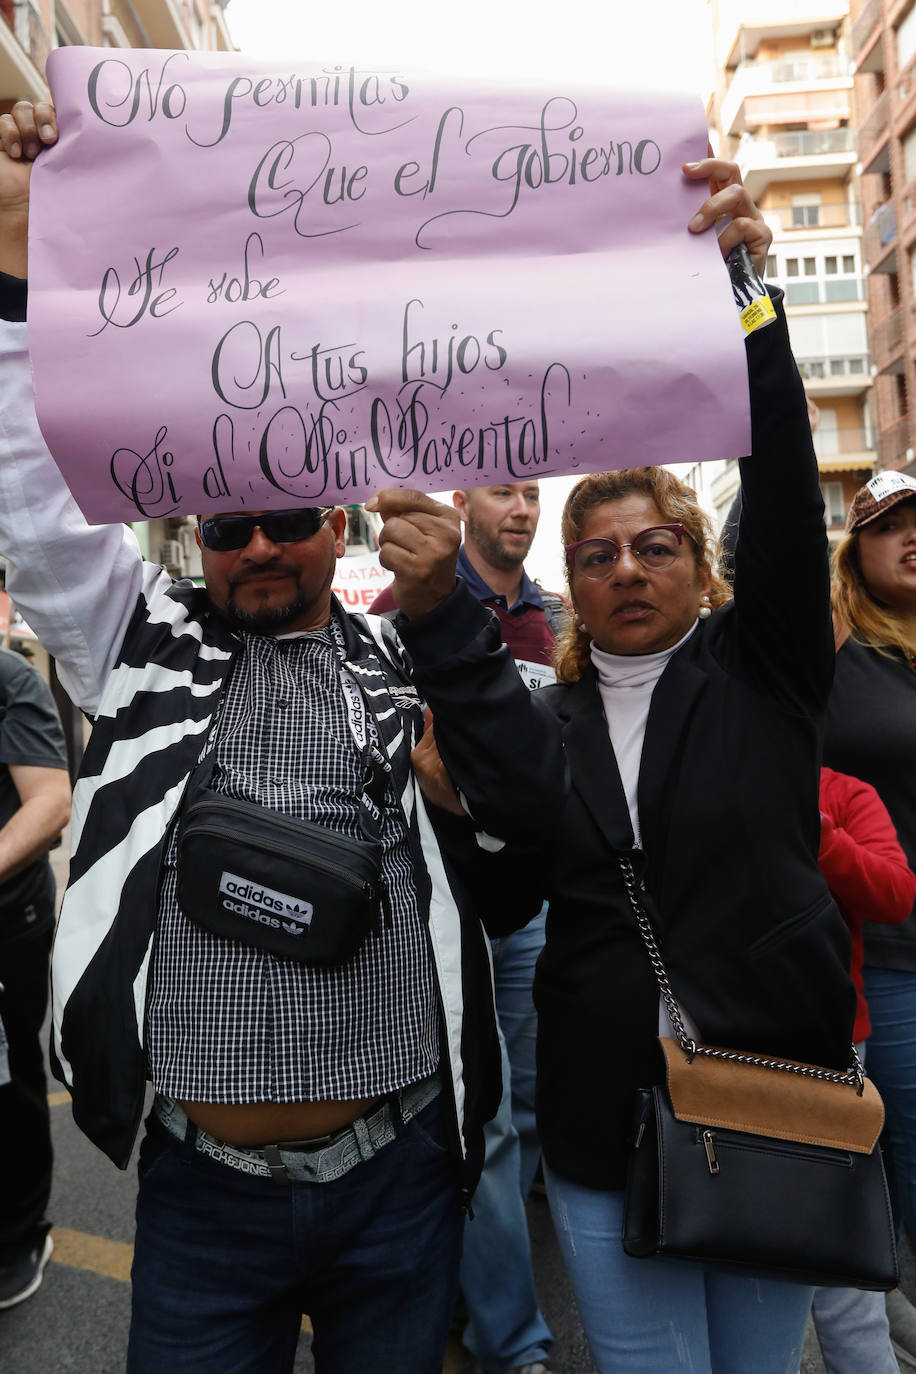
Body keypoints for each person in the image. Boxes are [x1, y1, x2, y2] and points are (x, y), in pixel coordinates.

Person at [0, 101, 566, 1374]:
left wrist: (449, 635)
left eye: (286, 514)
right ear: (192, 541)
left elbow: (537, 820)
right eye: (223, 525)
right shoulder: (138, 648)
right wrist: (11, 253)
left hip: (399, 1181)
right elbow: (32, 504)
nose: (255, 542)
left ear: (337, 524)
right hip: (206, 1197)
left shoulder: (410, 658)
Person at [420, 158, 856, 1373]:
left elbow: (780, 487)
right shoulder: (541, 718)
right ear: (574, 579)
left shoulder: (762, 665)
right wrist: (461, 814)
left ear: (699, 566)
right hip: (604, 1123)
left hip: (778, 1094)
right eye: (597, 552)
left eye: (653, 546)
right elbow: (510, 903)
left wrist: (745, 291)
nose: (623, 570)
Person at [375, 481, 565, 1374]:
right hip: (438, 905)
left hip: (527, 907)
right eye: (503, 491)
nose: (521, 508)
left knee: (521, 1107)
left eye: (532, 492)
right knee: (472, 1119)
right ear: (461, 503)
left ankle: (488, 1282)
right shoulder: (393, 609)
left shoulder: (557, 617)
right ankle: (506, 1333)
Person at [824, 469, 916, 1371]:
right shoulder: (839, 668)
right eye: (891, 525)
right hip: (891, 956)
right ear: (858, 555)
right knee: (902, 1161)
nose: (913, 534)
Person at [809, 764, 915, 1374]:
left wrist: (818, 832)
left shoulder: (842, 792)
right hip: (713, 1047)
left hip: (830, 1047)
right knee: (738, 1243)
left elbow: (895, 893)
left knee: (842, 1267)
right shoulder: (696, 774)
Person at [0, 645, 70, 1309]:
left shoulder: (9, 678)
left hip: (5, 920)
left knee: (9, 1081)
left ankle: (18, 1232)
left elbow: (49, 802)